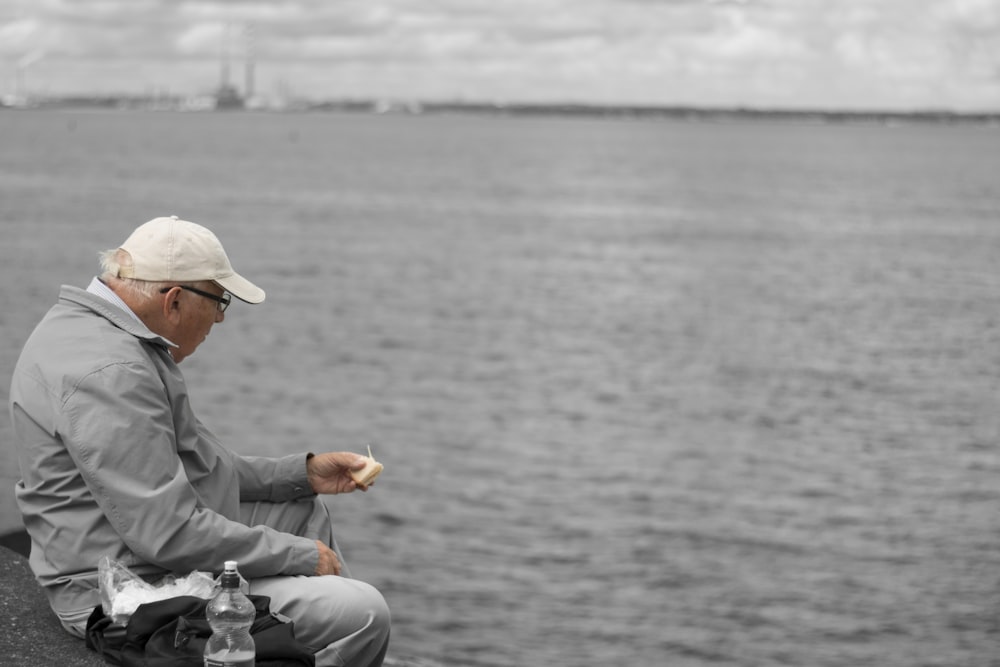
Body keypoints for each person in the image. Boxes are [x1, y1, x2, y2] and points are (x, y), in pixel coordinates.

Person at [8, 215, 390, 667]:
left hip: (119, 549)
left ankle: (283, 644)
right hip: (126, 592)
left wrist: (301, 475)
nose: (221, 317)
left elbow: (194, 467)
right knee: (366, 613)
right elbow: (167, 534)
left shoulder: (91, 331)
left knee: (299, 506)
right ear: (173, 300)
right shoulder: (114, 373)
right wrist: (303, 555)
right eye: (219, 300)